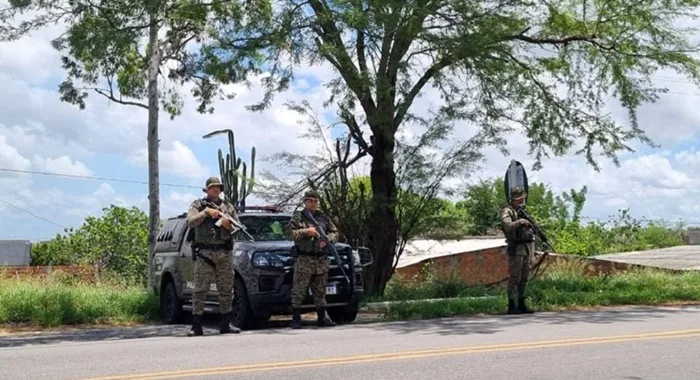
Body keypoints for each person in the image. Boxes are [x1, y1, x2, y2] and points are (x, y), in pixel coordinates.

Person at [186, 176, 242, 336]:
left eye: (218, 187)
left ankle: (226, 323)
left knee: (226, 289)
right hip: (204, 253)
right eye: (213, 187)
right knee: (200, 290)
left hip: (224, 253)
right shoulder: (198, 205)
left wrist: (228, 225)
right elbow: (190, 221)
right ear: (207, 189)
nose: (216, 189)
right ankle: (196, 325)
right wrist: (206, 213)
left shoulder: (228, 206)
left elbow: (236, 229)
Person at [286, 190, 338, 329]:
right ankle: (296, 319)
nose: (313, 203)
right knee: (299, 291)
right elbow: (290, 234)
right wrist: (306, 232)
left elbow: (334, 232)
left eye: (315, 201)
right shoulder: (299, 217)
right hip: (304, 258)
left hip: (321, 259)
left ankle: (322, 318)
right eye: (310, 201)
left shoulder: (323, 217)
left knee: (320, 291)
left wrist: (328, 240)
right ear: (305, 202)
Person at [500, 186, 536, 315]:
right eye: (520, 197)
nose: (522, 200)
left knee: (524, 277)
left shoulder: (522, 210)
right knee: (515, 277)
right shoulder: (507, 211)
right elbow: (508, 226)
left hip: (526, 247)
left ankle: (522, 303)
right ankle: (511, 304)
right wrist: (520, 222)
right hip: (515, 248)